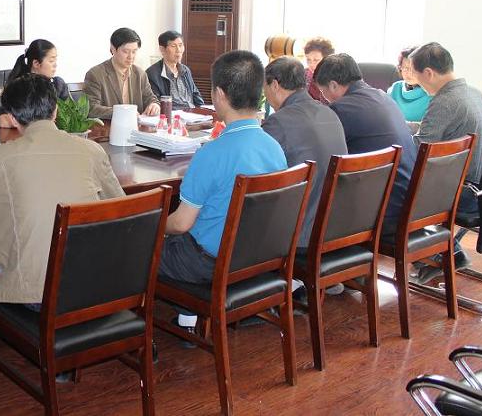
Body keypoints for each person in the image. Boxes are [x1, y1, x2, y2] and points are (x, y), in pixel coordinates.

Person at [0, 74, 125, 306]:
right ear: (55, 111)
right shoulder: (92, 151)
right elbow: (121, 206)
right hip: (92, 285)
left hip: (34, 296)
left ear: (12, 118)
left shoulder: (0, 158)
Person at [159, 50, 287, 286]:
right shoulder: (274, 147)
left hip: (208, 263)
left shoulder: (211, 153)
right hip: (258, 256)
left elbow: (181, 223)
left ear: (219, 94)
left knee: (139, 248)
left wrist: (154, 226)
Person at [409, 42, 482, 279]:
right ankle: (447, 252)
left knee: (394, 190)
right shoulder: (474, 94)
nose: (416, 82)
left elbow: (419, 149)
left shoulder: (445, 101)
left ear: (428, 73)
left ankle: (439, 254)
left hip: (463, 193)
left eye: (416, 75)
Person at [314, 53, 417, 238]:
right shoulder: (384, 97)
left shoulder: (341, 109)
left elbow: (322, 156)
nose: (324, 98)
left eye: (323, 92)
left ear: (333, 85)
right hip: (410, 204)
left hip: (384, 213)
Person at [262, 56, 347, 246]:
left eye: (264, 87)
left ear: (274, 85)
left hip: (300, 234)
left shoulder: (278, 122)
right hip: (335, 228)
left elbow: (256, 172)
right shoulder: (329, 113)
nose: (265, 94)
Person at [84, 27, 160, 119]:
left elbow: (150, 98)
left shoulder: (140, 74)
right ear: (113, 49)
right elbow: (91, 108)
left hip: (136, 126)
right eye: (125, 51)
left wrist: (154, 105)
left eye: (134, 51)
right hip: (109, 126)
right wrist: (121, 112)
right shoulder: (95, 74)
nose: (130, 56)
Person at [0, 38, 72, 128]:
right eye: (51, 61)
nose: (55, 65)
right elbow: (3, 121)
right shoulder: (19, 87)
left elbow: (72, 115)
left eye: (55, 60)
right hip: (26, 135)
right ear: (36, 63)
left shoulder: (58, 84)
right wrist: (44, 121)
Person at [145, 30, 204, 109]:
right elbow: (156, 102)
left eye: (180, 45)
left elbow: (196, 95)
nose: (178, 50)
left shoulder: (185, 70)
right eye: (173, 46)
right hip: (172, 114)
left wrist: (203, 110)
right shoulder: (152, 74)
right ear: (162, 49)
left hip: (192, 113)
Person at [387, 45, 432, 123]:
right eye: (405, 68)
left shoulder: (432, 93)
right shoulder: (395, 88)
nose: (409, 73)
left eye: (413, 68)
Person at [303, 37, 335, 104]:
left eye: (316, 60)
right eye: (308, 59)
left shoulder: (336, 79)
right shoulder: (303, 74)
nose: (311, 64)